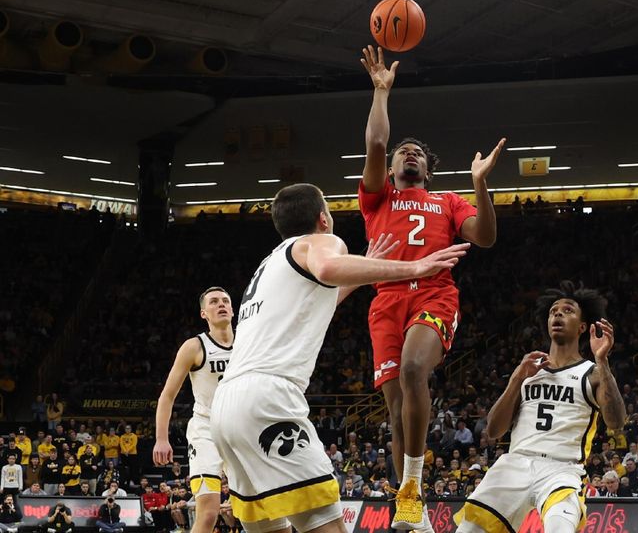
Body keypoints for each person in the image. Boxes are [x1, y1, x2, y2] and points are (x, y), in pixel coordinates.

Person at [210, 183, 468, 533]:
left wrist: (365, 272)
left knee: (271, 529)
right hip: (267, 400)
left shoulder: (270, 264)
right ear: (323, 218)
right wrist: (415, 268)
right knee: (325, 525)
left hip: (225, 408)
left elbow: (316, 306)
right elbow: (330, 269)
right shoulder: (320, 242)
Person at [359, 44, 504, 530]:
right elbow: (377, 144)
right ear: (396, 166)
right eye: (405, 151)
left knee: (414, 369)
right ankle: (409, 508)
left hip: (433, 293)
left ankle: (414, 485)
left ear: (429, 169)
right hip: (386, 302)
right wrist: (381, 93)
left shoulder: (446, 200)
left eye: (418, 152)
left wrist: (480, 184)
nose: (410, 154)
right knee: (397, 413)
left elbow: (484, 238)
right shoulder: (377, 197)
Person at [456, 282, 626, 533]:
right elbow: (493, 430)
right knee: (469, 530)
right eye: (553, 311)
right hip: (515, 463)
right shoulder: (528, 371)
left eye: (567, 310)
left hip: (562, 469)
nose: (557, 314)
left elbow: (616, 421)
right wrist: (516, 379)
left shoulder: (592, 373)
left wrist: (602, 360)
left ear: (582, 327)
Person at [153, 286, 235, 533]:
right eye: (213, 302)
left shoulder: (249, 340)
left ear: (232, 309)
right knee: (208, 513)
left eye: (225, 301)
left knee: (255, 508)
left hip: (241, 429)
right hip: (206, 430)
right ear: (203, 313)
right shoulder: (195, 346)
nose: (220, 304)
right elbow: (167, 396)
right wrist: (161, 439)